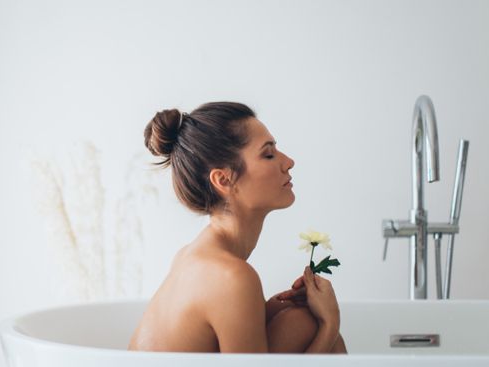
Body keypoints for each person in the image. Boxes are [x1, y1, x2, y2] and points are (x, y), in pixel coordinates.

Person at [127, 102, 347, 353]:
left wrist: (268, 308)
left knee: (297, 319)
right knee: (308, 325)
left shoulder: (192, 255)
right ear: (223, 179)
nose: (289, 162)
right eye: (268, 154)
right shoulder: (231, 277)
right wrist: (330, 323)